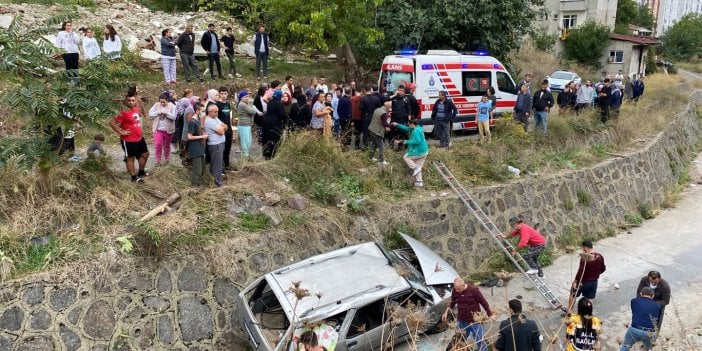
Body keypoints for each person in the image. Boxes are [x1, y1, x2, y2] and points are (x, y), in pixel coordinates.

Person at [442, 277, 495, 351]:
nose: (457, 291)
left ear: (463, 285)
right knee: (458, 340)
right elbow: (453, 302)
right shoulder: (455, 291)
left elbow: (484, 302)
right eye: (456, 289)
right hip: (462, 321)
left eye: (458, 289)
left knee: (480, 341)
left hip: (475, 321)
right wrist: (446, 311)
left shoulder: (474, 290)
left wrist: (490, 314)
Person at [109, 95, 150, 183]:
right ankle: (133, 178)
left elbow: (142, 111)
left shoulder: (137, 109)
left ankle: (141, 172)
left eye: (133, 100)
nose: (131, 102)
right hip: (128, 140)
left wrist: (138, 98)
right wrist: (121, 132)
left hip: (139, 138)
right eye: (129, 100)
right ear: (125, 101)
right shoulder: (123, 112)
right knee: (130, 158)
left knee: (145, 154)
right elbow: (112, 122)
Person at [568, 241, 606, 312]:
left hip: (583, 282)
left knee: (573, 294)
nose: (582, 250)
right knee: (588, 299)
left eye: (582, 248)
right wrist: (595, 274)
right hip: (594, 282)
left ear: (585, 247)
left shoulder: (584, 259)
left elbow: (580, 272)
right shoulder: (600, 256)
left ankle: (569, 311)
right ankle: (587, 314)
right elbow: (603, 269)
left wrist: (575, 281)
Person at [620, 287, 660, 351]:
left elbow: (635, 311)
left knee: (625, 346)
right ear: (653, 296)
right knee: (646, 349)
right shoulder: (658, 306)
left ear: (641, 294)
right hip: (649, 333)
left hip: (634, 330)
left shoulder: (634, 301)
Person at [393, 119, 429, 188]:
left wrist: (406, 141)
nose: (408, 126)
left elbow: (417, 141)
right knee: (418, 166)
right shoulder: (418, 128)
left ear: (412, 124)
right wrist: (397, 125)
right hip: (425, 151)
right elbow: (406, 128)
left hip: (420, 151)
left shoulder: (416, 131)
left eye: (409, 124)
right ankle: (419, 182)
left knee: (406, 157)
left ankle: (415, 168)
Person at [148, 93, 177, 166]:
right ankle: (158, 160)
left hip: (168, 130)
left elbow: (174, 117)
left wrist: (167, 114)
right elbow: (150, 113)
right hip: (158, 129)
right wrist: (157, 113)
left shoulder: (172, 106)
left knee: (167, 145)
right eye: (161, 102)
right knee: (158, 145)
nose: (162, 103)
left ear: (167, 100)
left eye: (164, 102)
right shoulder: (156, 105)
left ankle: (166, 159)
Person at [204, 104, 227, 187]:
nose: (217, 113)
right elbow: (221, 131)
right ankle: (218, 183)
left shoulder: (215, 118)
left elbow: (226, 126)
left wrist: (222, 127)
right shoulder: (209, 121)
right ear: (209, 112)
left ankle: (214, 180)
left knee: (217, 163)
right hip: (215, 144)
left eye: (217, 111)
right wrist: (222, 128)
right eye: (215, 112)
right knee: (217, 164)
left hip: (220, 143)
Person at [237, 90, 263, 159]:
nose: (247, 98)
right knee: (245, 142)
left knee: (248, 141)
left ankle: (247, 156)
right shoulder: (242, 104)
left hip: (247, 124)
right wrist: (251, 104)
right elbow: (253, 111)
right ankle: (245, 158)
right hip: (243, 125)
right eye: (245, 97)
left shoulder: (245, 104)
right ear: (241, 98)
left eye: (248, 96)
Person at [261, 90, 287, 159]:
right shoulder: (279, 103)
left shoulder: (270, 102)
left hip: (266, 122)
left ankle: (266, 154)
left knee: (267, 138)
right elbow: (282, 115)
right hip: (274, 124)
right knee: (275, 139)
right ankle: (273, 155)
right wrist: (286, 121)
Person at [187, 104, 208, 187]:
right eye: (202, 111)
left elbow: (197, 131)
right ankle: (195, 184)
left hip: (200, 147)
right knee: (197, 169)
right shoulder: (192, 122)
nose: (203, 113)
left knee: (202, 167)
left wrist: (202, 131)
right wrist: (202, 136)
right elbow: (189, 136)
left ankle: (199, 182)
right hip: (195, 148)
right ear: (197, 111)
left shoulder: (198, 121)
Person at [215, 87, 233, 170]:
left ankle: (227, 165)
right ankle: (221, 167)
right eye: (222, 93)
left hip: (229, 129)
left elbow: (229, 117)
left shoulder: (228, 104)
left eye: (225, 93)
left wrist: (230, 126)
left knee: (228, 148)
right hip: (221, 130)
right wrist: (222, 126)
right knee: (222, 149)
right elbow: (215, 118)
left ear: (227, 94)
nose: (224, 95)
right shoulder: (217, 105)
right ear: (219, 94)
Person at [368, 101, 391, 165]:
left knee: (374, 145)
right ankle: (381, 160)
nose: (390, 109)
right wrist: (390, 125)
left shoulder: (377, 109)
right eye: (389, 108)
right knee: (381, 146)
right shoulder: (384, 113)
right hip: (377, 132)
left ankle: (370, 157)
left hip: (371, 129)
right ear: (387, 107)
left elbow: (377, 119)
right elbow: (384, 123)